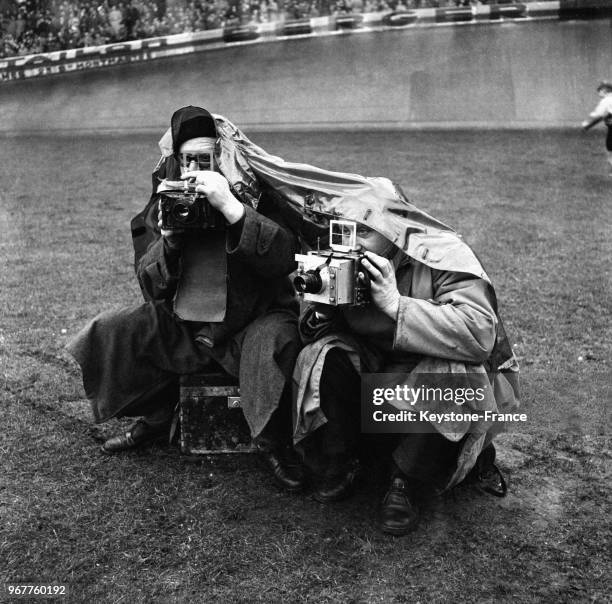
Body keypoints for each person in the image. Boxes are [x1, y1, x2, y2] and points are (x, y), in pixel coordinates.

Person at [67, 106, 304, 492]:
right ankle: (159, 416)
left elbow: (284, 259)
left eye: (205, 158)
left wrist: (233, 210)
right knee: (121, 329)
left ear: (221, 156)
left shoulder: (251, 192)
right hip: (189, 321)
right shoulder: (165, 196)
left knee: (273, 342)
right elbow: (150, 285)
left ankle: (274, 442)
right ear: (177, 160)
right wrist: (171, 243)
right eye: (188, 159)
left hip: (250, 320)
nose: (196, 167)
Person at [289, 191, 520, 536]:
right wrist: (323, 307)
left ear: (395, 229)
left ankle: (405, 482)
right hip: (378, 380)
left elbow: (479, 334)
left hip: (425, 387)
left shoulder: (442, 253)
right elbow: (311, 328)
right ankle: (346, 460)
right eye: (345, 232)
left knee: (456, 373)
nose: (353, 245)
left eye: (364, 232)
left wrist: (396, 305)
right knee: (324, 354)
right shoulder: (341, 257)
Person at [581, 81, 612, 175]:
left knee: (610, 149)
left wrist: (586, 124)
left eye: (600, 91)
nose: (599, 93)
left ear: (604, 91)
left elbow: (598, 114)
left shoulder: (607, 100)